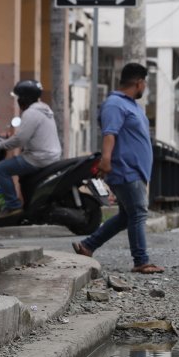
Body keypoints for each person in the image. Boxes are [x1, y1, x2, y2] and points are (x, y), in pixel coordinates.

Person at [73, 63, 164, 274]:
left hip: (136, 171)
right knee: (139, 211)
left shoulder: (131, 105)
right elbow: (109, 133)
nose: (145, 87)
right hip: (125, 169)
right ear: (139, 83)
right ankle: (141, 260)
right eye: (145, 83)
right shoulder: (115, 104)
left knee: (126, 216)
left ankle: (88, 245)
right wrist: (105, 160)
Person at [0, 80, 62, 219]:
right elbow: (27, 135)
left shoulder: (31, 113)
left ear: (25, 98)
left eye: (19, 97)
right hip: (50, 155)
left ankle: (13, 205)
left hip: (38, 158)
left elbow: (20, 140)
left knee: (1, 168)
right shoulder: (45, 110)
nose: (18, 101)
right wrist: (6, 138)